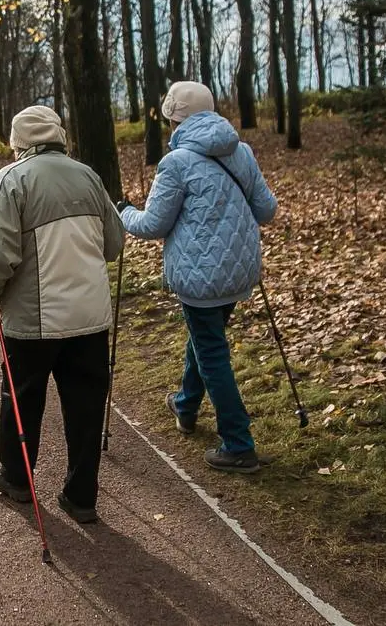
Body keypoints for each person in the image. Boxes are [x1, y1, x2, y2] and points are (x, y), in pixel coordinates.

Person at [0, 105, 125, 523]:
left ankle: (17, 477)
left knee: (21, 399)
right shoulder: (89, 176)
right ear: (59, 135)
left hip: (33, 322)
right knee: (86, 405)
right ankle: (81, 496)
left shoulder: (11, 180)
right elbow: (114, 244)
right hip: (90, 319)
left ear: (17, 143)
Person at [118, 81, 277, 473]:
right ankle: (186, 405)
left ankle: (238, 443)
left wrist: (123, 212)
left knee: (211, 351)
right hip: (237, 272)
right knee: (206, 340)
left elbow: (153, 224)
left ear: (175, 118)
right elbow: (267, 210)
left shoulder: (176, 163)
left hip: (200, 276)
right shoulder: (241, 151)